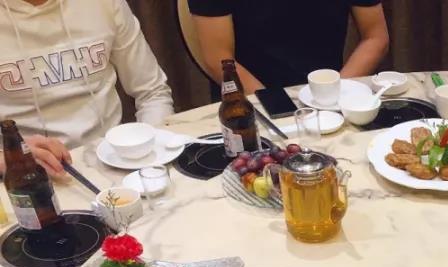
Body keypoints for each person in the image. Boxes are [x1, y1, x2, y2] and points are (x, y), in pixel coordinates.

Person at [0, 0, 173, 175]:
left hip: (113, 163)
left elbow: (152, 92)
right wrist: (7, 158)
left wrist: (151, 156)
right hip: (25, 174)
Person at [189, 0, 390, 91]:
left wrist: (333, 92)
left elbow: (375, 38)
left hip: (328, 94)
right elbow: (218, 58)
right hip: (250, 100)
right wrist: (274, 104)